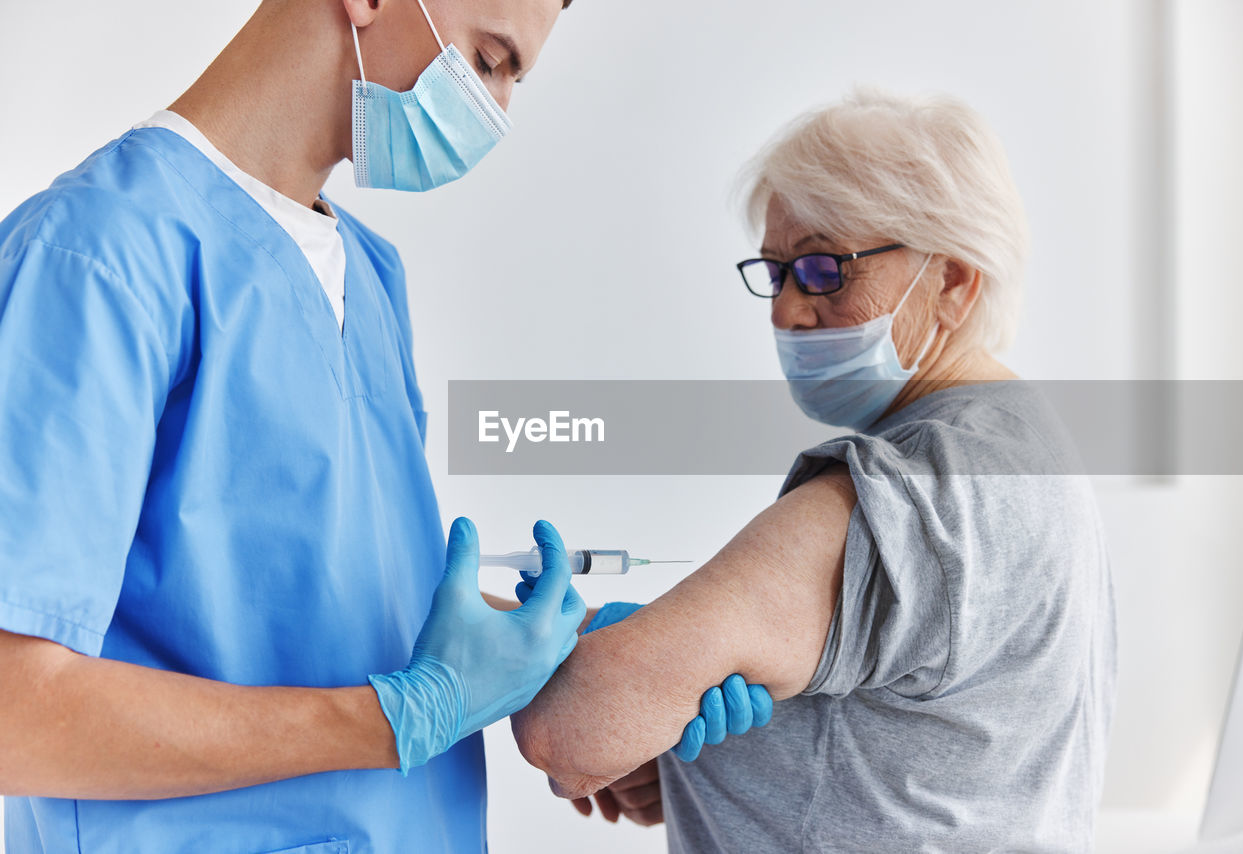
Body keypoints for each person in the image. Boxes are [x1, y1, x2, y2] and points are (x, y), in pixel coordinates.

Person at [0, 1, 765, 850]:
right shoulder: (97, 255)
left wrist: (571, 658)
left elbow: (329, 598)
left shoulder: (367, 273)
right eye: (488, 61)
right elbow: (16, 713)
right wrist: (399, 718)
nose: (497, 112)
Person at [511, 89, 1118, 851]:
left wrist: (618, 683)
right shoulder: (1028, 452)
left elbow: (572, 728)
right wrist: (694, 757)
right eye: (775, 273)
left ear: (954, 282)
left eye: (825, 268)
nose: (786, 312)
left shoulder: (918, 488)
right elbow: (921, 751)